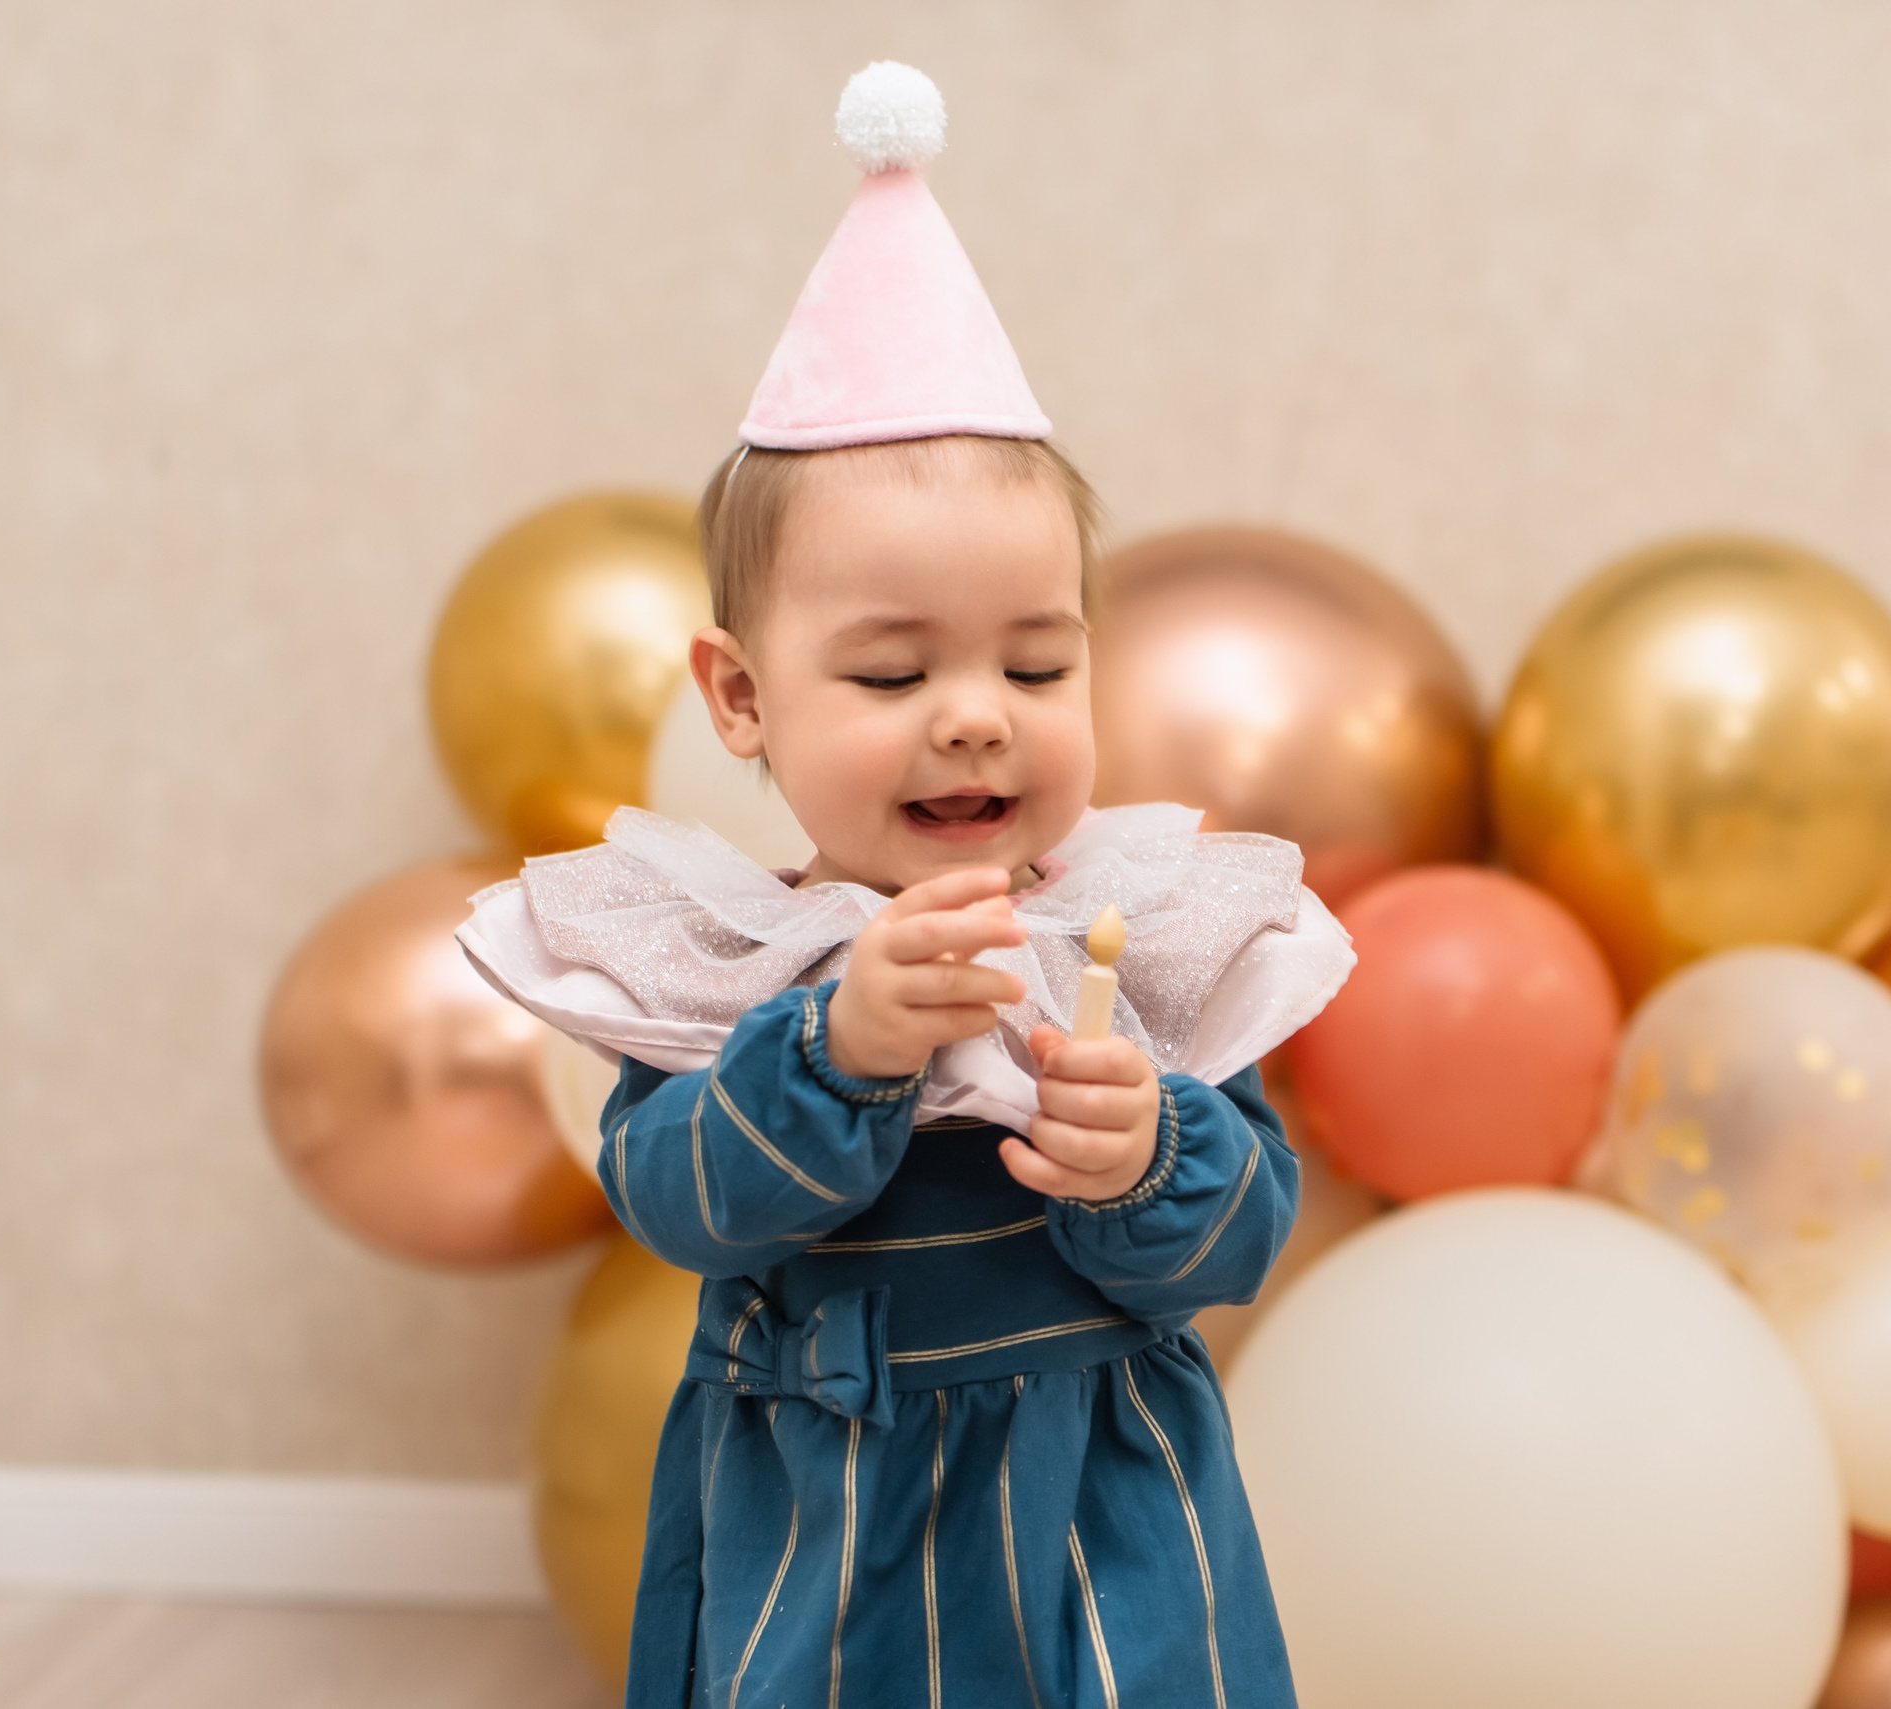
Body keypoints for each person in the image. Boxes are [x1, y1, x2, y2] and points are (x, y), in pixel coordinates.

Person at [462, 62, 1352, 1709]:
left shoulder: (1127, 936)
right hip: (828, 1505)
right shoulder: (734, 963)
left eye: (1034, 660)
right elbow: (675, 1199)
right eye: (888, 674)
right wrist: (839, 1052)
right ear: (739, 699)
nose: (972, 712)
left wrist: (1154, 1150)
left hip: (1103, 1508)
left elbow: (1245, 1240)